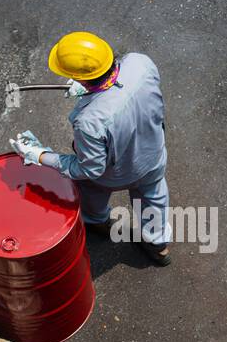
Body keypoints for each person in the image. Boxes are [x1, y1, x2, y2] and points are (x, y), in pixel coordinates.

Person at [11, 31, 171, 265]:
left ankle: (97, 221)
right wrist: (91, 90)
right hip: (153, 157)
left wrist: (40, 155)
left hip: (115, 175)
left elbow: (90, 169)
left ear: (80, 78)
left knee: (90, 189)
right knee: (154, 197)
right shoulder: (140, 63)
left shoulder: (89, 122)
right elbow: (121, 88)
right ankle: (158, 246)